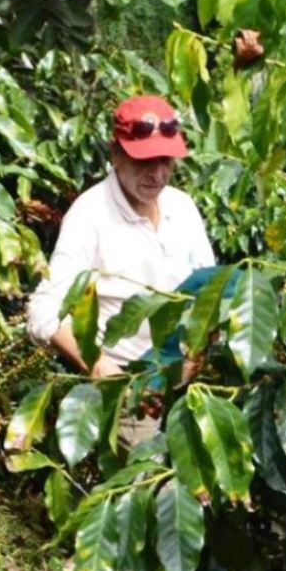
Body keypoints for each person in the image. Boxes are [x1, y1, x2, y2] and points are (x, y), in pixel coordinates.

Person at [25, 96, 215, 377]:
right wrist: (99, 365)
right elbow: (44, 309)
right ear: (116, 154)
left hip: (189, 376)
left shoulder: (182, 206)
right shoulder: (90, 215)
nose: (157, 174)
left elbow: (210, 290)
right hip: (127, 380)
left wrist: (200, 350)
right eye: (144, 161)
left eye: (165, 161)